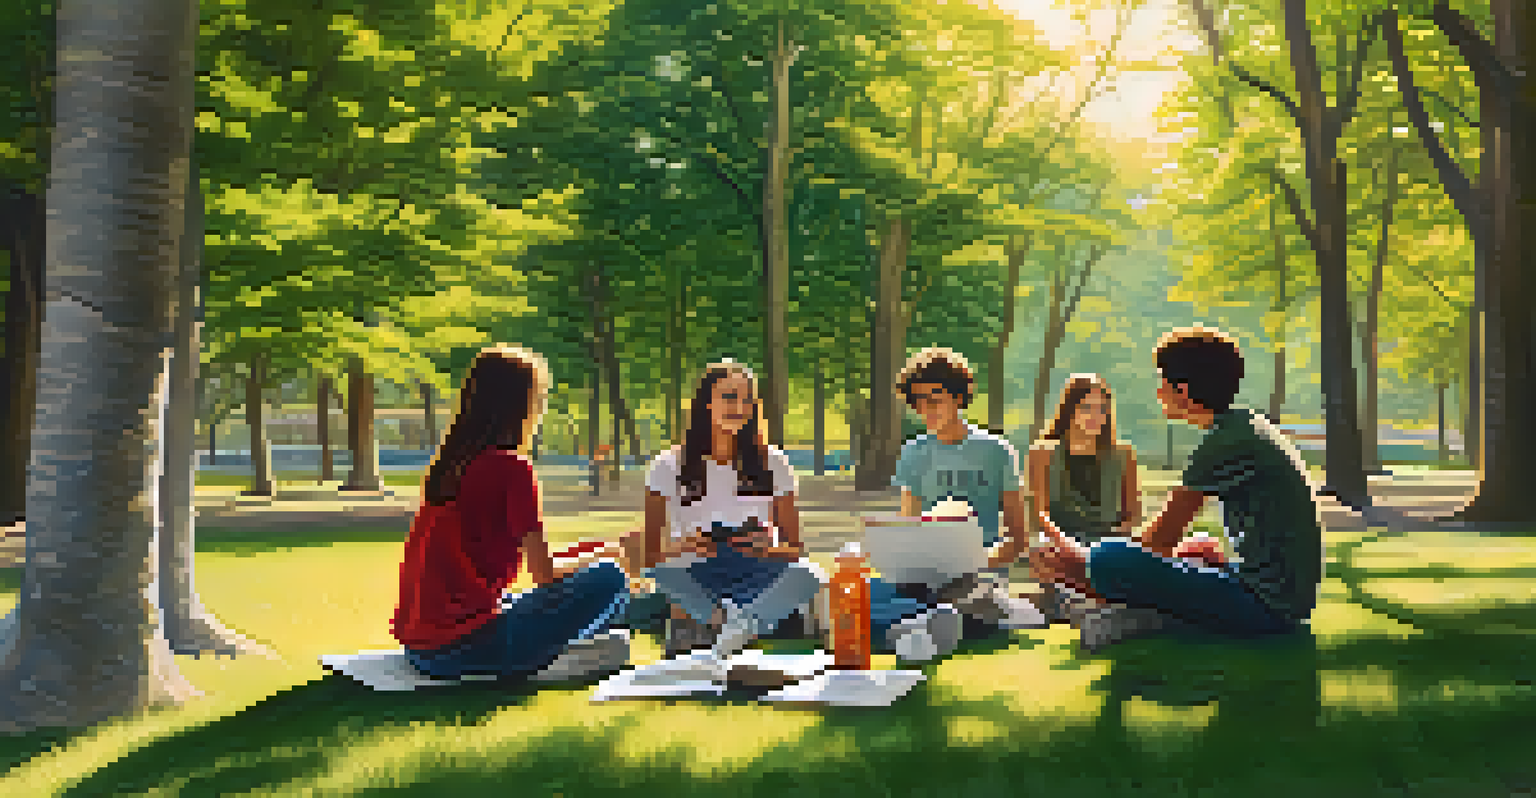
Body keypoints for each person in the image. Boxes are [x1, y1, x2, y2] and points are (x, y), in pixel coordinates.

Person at [1030, 325, 1325, 652]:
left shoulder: (1224, 443)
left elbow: (1158, 541)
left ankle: (1114, 609)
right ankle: (1134, 608)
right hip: (1278, 596)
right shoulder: (1244, 426)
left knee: (1110, 557)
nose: (1158, 393)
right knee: (1198, 548)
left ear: (1182, 391)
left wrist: (1079, 559)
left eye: (1162, 383)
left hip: (1267, 607)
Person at [392, 346, 631, 681]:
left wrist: (587, 552)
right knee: (611, 577)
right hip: (467, 649)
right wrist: (604, 554)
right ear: (520, 404)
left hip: (420, 650)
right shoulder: (512, 468)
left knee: (587, 574)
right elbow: (544, 575)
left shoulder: (450, 466)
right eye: (540, 397)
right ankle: (566, 650)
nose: (542, 408)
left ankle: (571, 641)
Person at [625, 359, 824, 661]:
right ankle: (738, 623)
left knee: (810, 574)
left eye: (746, 399)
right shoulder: (667, 466)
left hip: (755, 571)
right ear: (706, 402)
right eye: (729, 396)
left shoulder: (774, 462)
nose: (739, 406)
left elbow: (795, 550)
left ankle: (730, 626)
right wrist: (685, 545)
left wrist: (767, 547)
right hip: (695, 572)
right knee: (661, 572)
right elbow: (650, 555)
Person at [869, 347, 1044, 662]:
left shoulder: (997, 451)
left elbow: (1018, 540)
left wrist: (971, 562)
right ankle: (924, 625)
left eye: (935, 399)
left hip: (980, 572)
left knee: (958, 595)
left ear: (958, 397)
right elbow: (910, 529)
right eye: (919, 401)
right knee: (862, 594)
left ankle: (922, 623)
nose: (926, 409)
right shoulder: (913, 452)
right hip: (929, 577)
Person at [1024, 374, 1142, 623]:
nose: (1095, 416)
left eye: (1102, 409)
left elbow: (1133, 514)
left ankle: (1092, 604)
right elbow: (1039, 514)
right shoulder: (1042, 453)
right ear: (1070, 410)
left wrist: (1113, 540)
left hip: (1108, 543)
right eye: (1086, 408)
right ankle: (1072, 603)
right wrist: (1070, 546)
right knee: (1041, 549)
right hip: (1062, 542)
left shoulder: (1123, 454)